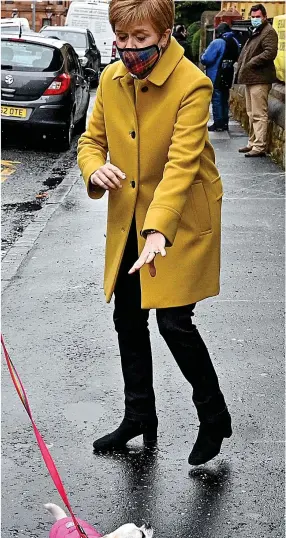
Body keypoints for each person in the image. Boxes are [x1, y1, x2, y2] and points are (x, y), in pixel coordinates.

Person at [77, 0, 232, 466]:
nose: (128, 49)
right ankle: (139, 416)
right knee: (127, 317)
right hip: (128, 217)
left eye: (140, 39)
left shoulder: (193, 83)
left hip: (179, 218)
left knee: (173, 322)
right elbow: (91, 141)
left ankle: (213, 414)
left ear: (165, 34)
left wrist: (159, 230)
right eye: (121, 39)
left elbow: (181, 166)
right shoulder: (110, 79)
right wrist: (94, 169)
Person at [235, 3, 278, 157]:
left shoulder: (268, 32)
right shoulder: (257, 31)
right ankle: (253, 142)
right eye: (252, 17)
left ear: (264, 17)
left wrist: (251, 62)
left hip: (260, 77)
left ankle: (259, 146)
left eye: (257, 17)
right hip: (251, 77)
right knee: (252, 112)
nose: (254, 19)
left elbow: (270, 52)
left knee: (259, 113)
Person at [201, 22, 240, 131]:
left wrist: (202, 56)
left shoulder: (218, 42)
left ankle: (218, 123)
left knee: (217, 99)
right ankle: (225, 123)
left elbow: (206, 59)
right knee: (224, 99)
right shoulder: (234, 42)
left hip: (216, 74)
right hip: (228, 74)